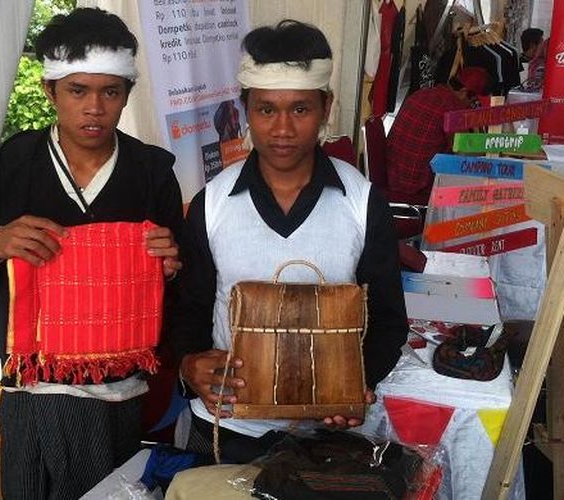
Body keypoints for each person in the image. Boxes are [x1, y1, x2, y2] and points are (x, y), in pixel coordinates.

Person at [0, 8, 184, 499]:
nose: (94, 108)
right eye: (78, 91)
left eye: (110, 92)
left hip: (119, 387)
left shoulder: (150, 171)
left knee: (107, 489)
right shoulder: (12, 164)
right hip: (32, 385)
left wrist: (172, 263)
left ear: (126, 95)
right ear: (50, 91)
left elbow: (181, 280)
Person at [172, 20, 408, 459]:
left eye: (300, 109)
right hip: (226, 424)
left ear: (326, 107)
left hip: (327, 432)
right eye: (266, 109)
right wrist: (189, 364)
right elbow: (189, 308)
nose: (282, 128)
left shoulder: (360, 201)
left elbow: (389, 319)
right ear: (245, 109)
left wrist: (358, 384)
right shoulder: (213, 203)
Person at [385, 66, 492, 203]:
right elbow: (464, 154)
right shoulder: (454, 109)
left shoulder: (422, 94)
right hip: (417, 188)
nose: (471, 107)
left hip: (392, 176)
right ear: (464, 92)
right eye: (473, 102)